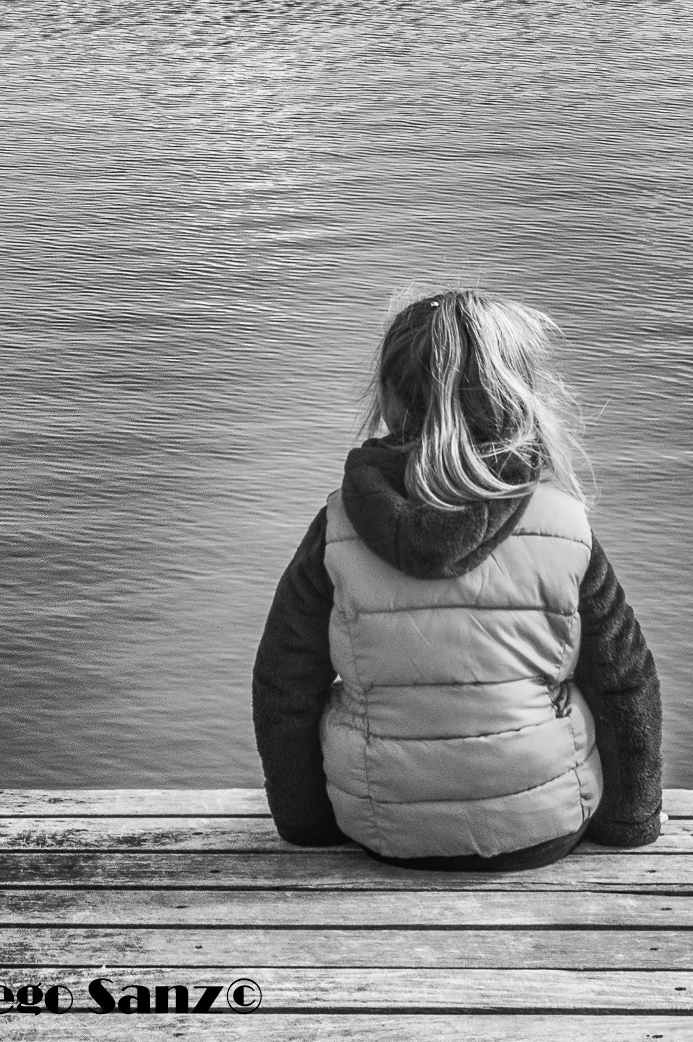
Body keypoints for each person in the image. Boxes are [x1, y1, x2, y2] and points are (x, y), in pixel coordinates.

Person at [252, 290, 662, 869]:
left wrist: (306, 827)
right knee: (577, 675)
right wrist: (631, 822)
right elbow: (626, 684)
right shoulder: (562, 524)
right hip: (543, 829)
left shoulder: (339, 526)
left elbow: (283, 682)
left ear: (390, 398)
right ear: (521, 398)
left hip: (382, 830)